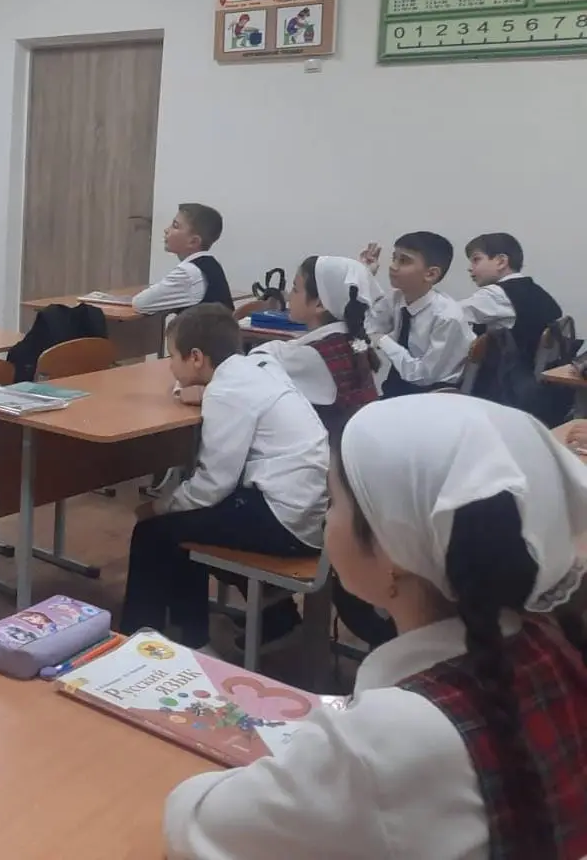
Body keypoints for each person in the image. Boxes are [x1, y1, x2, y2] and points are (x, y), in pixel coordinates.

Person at [165, 397, 587, 859]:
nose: (325, 519)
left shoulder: (393, 738)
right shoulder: (551, 640)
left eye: (333, 502)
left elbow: (201, 822)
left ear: (392, 551)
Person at [118, 305, 329, 649]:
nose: (170, 367)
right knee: (186, 524)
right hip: (305, 510)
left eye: (173, 356)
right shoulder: (254, 368)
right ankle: (271, 620)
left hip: (283, 521)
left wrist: (156, 507)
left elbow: (211, 487)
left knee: (153, 532)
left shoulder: (226, 392)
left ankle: (142, 644)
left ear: (196, 358)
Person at [253, 256, 378, 434]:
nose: (288, 296)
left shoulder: (312, 355)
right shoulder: (350, 339)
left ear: (319, 303)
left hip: (330, 447)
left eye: (295, 289)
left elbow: (255, 363)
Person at [361, 231, 471, 397]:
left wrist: (383, 341)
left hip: (433, 395)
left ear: (431, 274)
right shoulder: (397, 298)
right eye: (394, 258)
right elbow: (367, 327)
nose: (393, 266)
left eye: (404, 261)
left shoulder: (447, 317)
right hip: (399, 389)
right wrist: (365, 276)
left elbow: (423, 376)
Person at [460, 232, 563, 371]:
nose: (469, 268)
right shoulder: (534, 289)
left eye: (476, 260)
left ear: (501, 261)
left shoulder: (496, 295)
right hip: (534, 374)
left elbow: (449, 316)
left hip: (505, 377)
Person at [132, 204, 233, 314]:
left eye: (175, 226)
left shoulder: (188, 273)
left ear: (193, 241)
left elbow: (140, 303)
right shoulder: (210, 263)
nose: (166, 230)